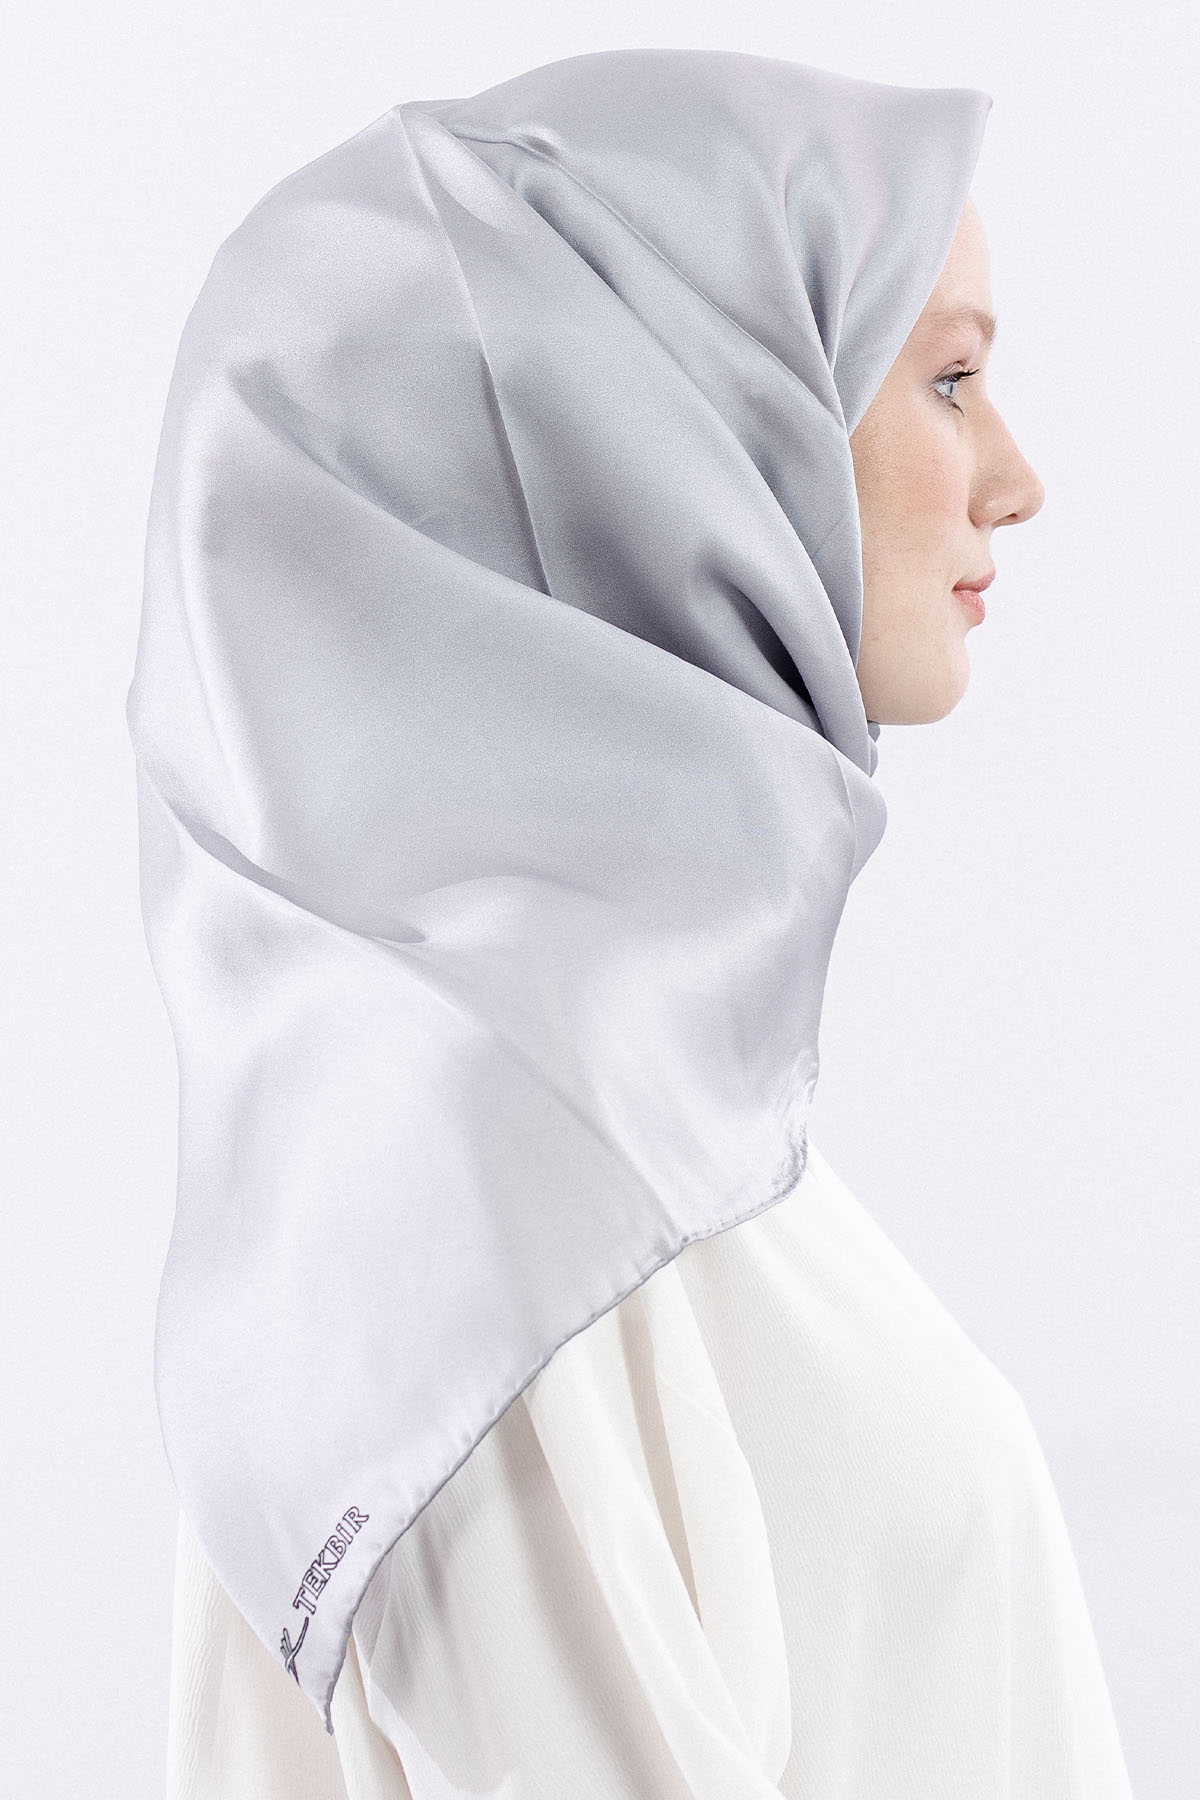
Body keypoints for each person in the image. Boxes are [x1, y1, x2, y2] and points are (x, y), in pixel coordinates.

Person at [132, 48, 1131, 1800]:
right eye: (951, 379)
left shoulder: (622, 1128)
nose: (1016, 479)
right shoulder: (490, 1177)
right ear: (683, 436)